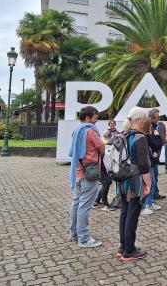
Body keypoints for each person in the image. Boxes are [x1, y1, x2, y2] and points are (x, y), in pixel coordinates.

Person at [118, 107, 151, 262]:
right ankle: (129, 250)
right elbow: (144, 164)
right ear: (137, 120)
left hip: (122, 179)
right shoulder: (140, 137)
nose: (146, 120)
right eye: (144, 118)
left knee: (125, 212)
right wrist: (148, 183)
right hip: (135, 180)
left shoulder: (123, 134)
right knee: (133, 214)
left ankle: (123, 246)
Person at [69, 106, 104, 248]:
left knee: (76, 203)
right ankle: (84, 238)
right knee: (85, 206)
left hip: (78, 171)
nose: (96, 121)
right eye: (95, 117)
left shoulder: (76, 130)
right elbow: (101, 148)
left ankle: (74, 233)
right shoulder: (90, 131)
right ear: (88, 118)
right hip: (89, 172)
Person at [94, 120, 120, 211]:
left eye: (114, 123)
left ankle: (97, 201)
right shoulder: (106, 132)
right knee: (106, 182)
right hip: (104, 157)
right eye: (111, 123)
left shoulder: (117, 132)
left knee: (106, 182)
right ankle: (104, 204)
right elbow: (104, 141)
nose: (113, 125)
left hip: (111, 155)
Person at [141, 117, 162, 216]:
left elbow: (156, 146)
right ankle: (144, 206)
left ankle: (149, 203)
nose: (151, 127)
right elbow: (157, 143)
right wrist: (157, 136)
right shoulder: (144, 135)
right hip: (145, 163)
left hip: (150, 162)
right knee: (147, 183)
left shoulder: (148, 134)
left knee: (152, 182)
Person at [148, 109, 167, 200]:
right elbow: (149, 142)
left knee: (155, 177)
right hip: (151, 156)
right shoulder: (148, 127)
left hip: (156, 155)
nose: (158, 119)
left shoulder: (156, 126)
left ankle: (155, 194)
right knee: (152, 179)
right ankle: (150, 200)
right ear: (152, 117)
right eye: (157, 117)